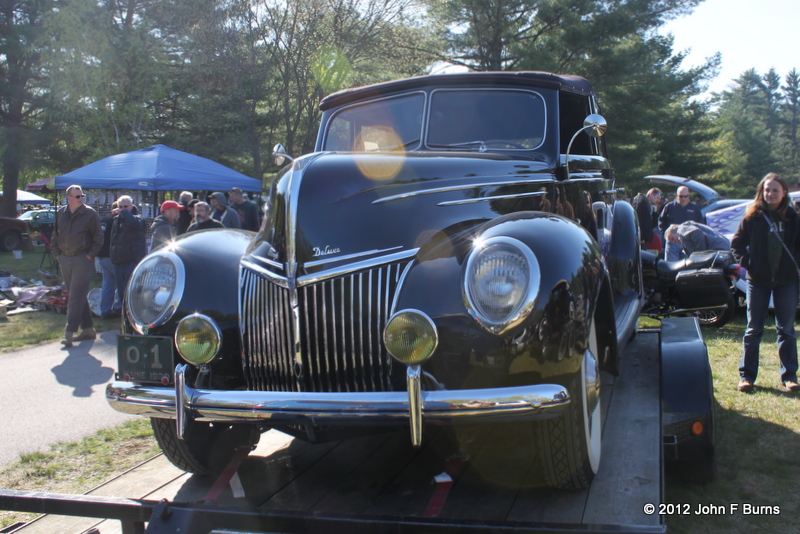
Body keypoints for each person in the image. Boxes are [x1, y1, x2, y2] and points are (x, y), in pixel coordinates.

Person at [731, 173, 800, 393]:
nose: (770, 194)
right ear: (762, 192)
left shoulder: (793, 217)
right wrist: (747, 263)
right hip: (758, 281)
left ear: (784, 193)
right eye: (767, 190)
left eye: (775, 190)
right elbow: (737, 243)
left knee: (786, 330)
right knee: (753, 329)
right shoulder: (753, 216)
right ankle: (747, 376)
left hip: (786, 281)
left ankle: (789, 377)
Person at [52, 185, 104, 347]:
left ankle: (69, 331)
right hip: (65, 258)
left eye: (82, 196)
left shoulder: (89, 214)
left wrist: (90, 255)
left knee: (75, 296)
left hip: (83, 258)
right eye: (77, 196)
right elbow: (56, 234)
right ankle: (88, 329)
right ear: (69, 198)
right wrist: (56, 254)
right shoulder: (61, 213)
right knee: (78, 294)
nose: (81, 199)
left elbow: (99, 236)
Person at [110, 195, 147, 305]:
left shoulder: (138, 219)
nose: (122, 209)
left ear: (131, 207)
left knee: (131, 291)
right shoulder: (117, 220)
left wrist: (123, 212)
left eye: (125, 206)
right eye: (120, 206)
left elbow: (132, 222)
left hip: (131, 261)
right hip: (118, 261)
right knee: (121, 292)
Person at [659, 185, 705, 258]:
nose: (683, 198)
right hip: (672, 242)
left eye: (685, 196)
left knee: (686, 266)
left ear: (688, 196)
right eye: (681, 196)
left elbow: (700, 225)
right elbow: (661, 221)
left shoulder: (694, 208)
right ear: (677, 196)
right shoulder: (669, 206)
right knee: (671, 266)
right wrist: (666, 234)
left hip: (688, 242)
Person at [98, 201, 121, 318]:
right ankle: (119, 307)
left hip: (102, 255)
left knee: (107, 284)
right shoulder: (116, 221)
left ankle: (105, 310)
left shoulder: (103, 219)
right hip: (112, 256)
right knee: (123, 282)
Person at [664, 221, 730, 260]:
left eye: (673, 239)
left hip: (718, 249)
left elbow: (697, 232)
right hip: (721, 248)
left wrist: (701, 255)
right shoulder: (684, 230)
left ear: (675, 231)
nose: (674, 242)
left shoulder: (681, 229)